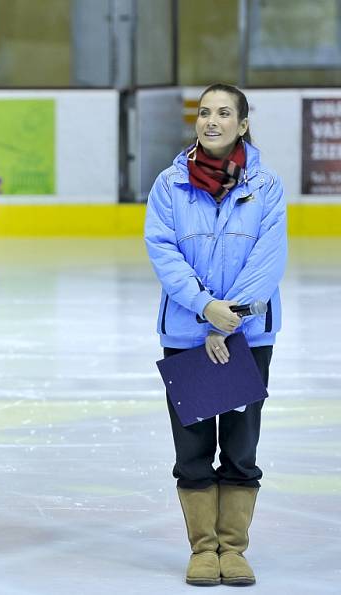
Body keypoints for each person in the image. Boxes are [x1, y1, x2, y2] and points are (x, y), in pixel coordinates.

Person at [144, 83, 287, 586]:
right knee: (193, 446)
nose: (211, 121)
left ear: (242, 124)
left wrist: (232, 320)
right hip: (188, 334)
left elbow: (268, 262)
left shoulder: (266, 187)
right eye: (204, 112)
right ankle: (205, 549)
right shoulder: (169, 185)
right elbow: (163, 252)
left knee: (242, 447)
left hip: (248, 335)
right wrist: (207, 311)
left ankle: (235, 549)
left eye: (224, 113)